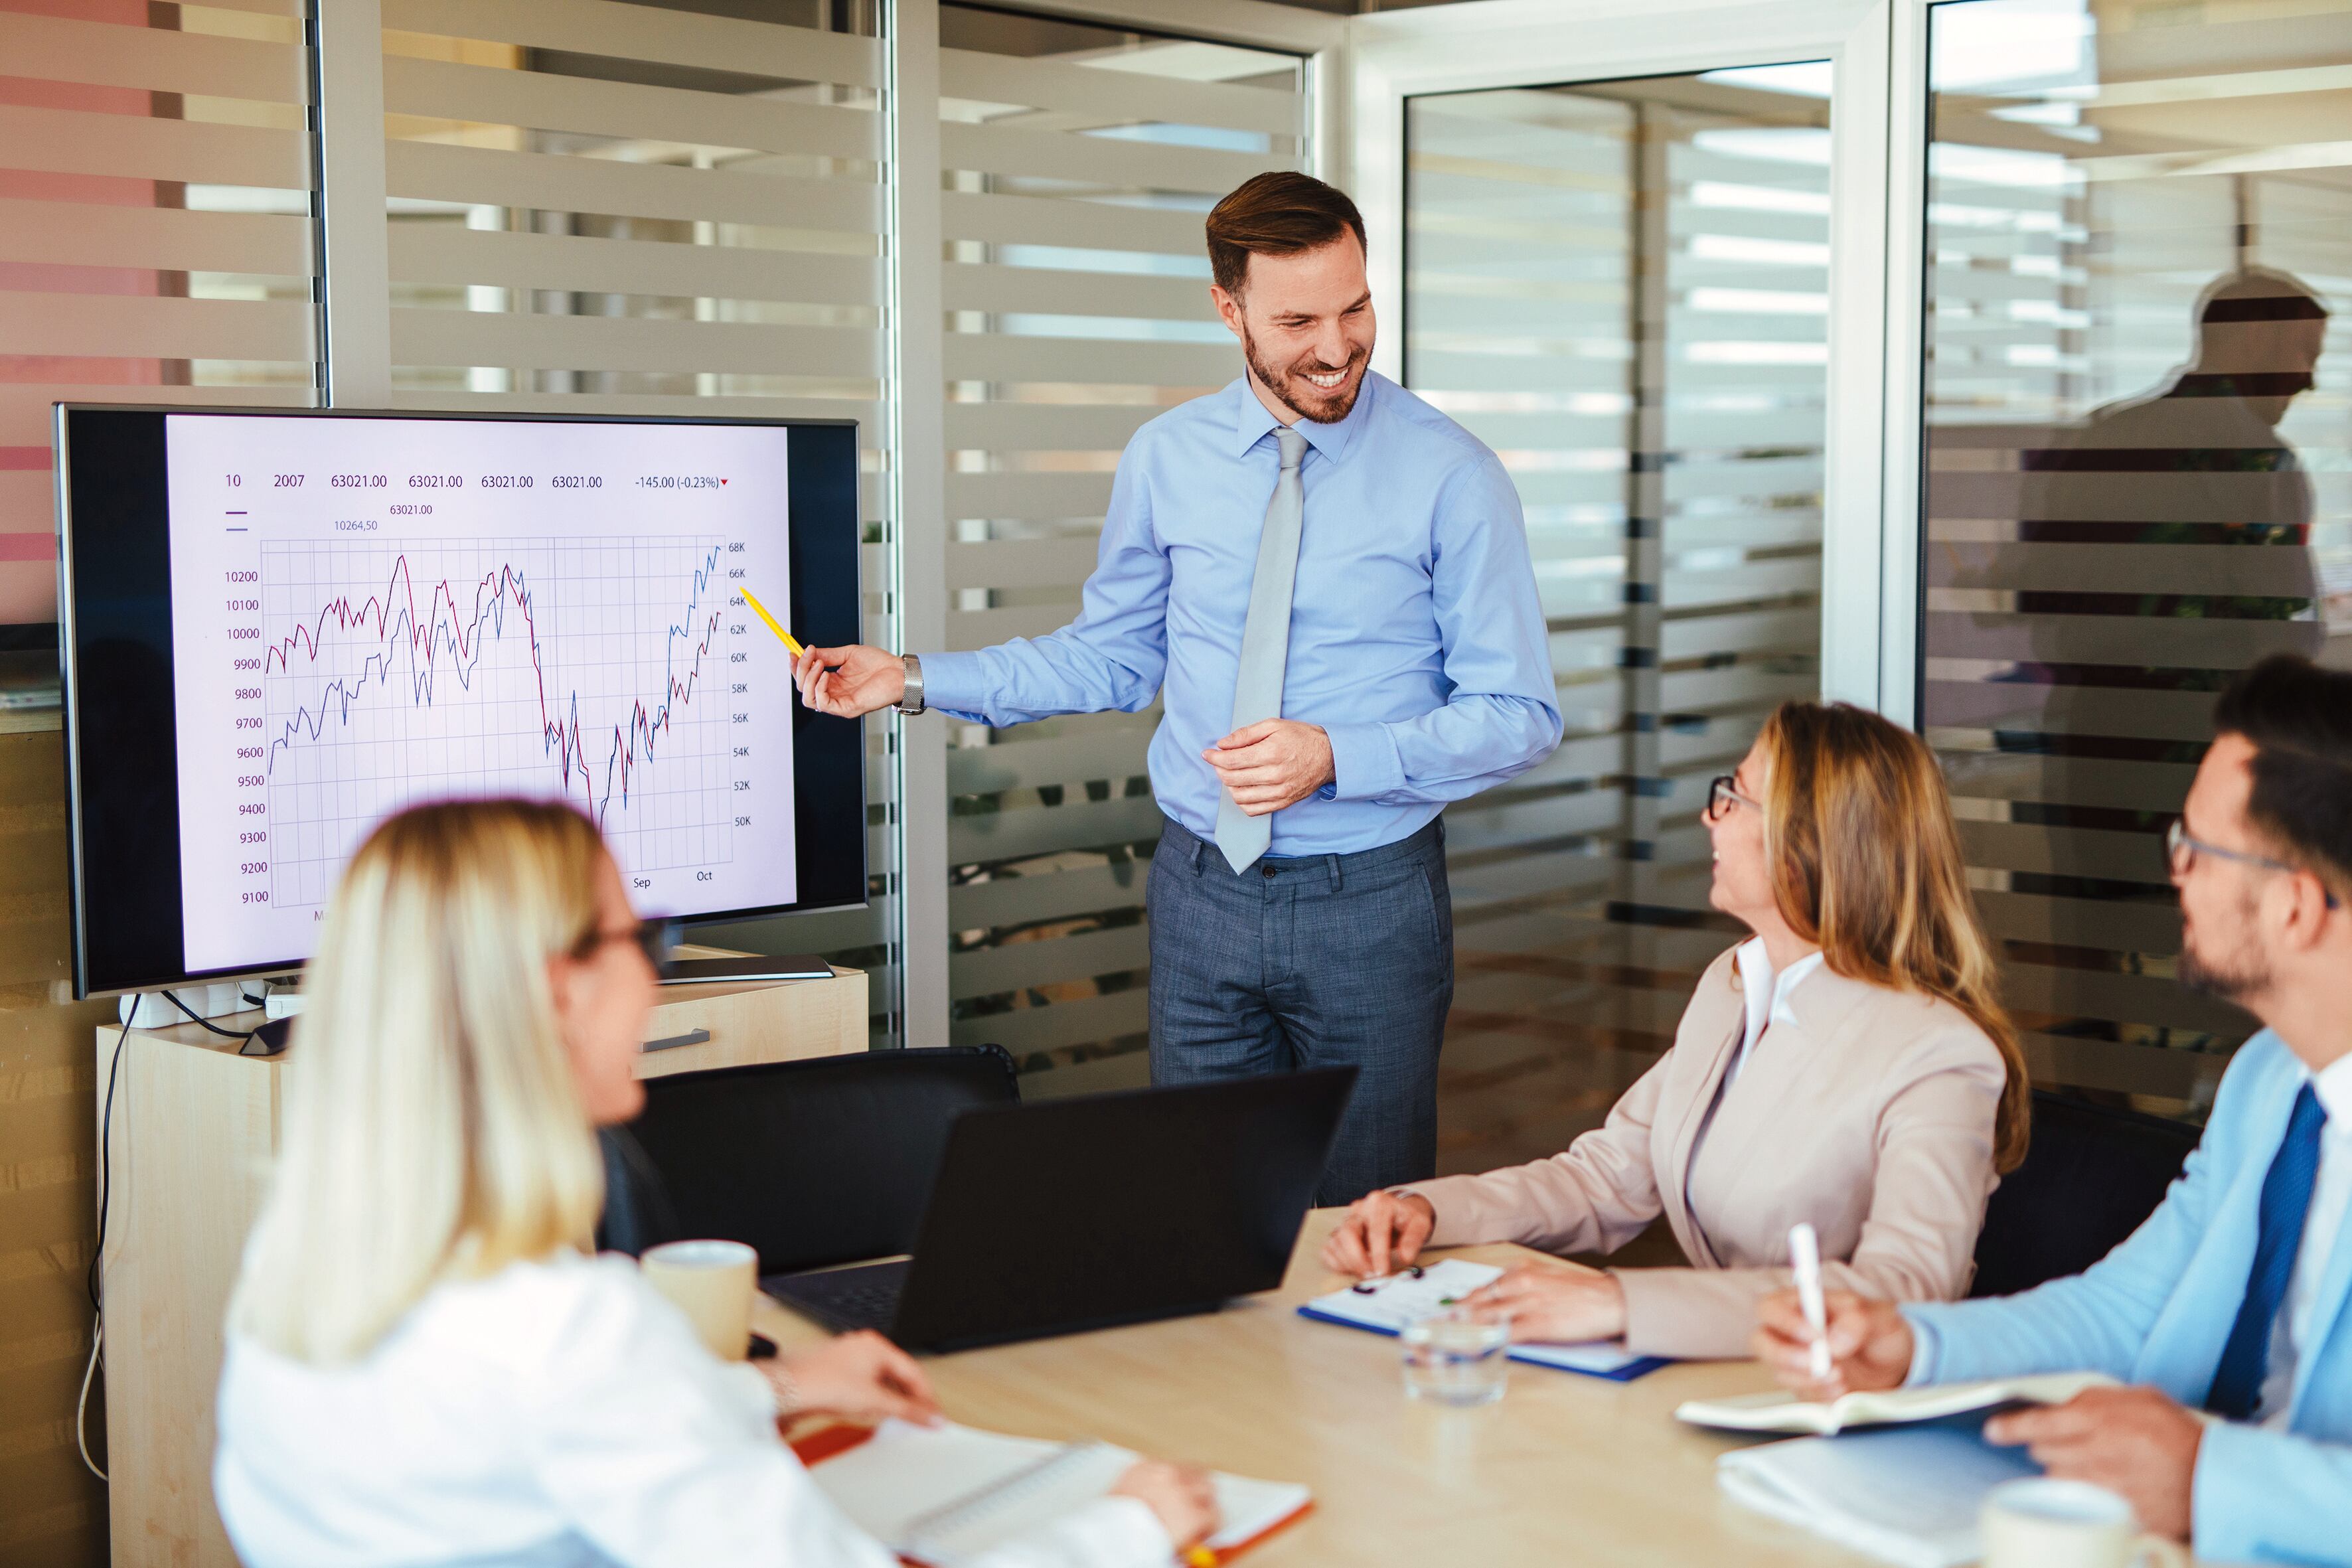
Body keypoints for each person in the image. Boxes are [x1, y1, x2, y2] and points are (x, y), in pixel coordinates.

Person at [791, 171, 1559, 1205]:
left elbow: (1519, 716)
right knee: (1199, 1208)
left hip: (1369, 903)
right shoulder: (1167, 458)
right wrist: (913, 678)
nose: (1335, 348)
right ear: (1226, 307)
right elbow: (1110, 655)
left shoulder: (1451, 475)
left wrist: (1338, 755)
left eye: (1354, 307)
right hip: (1199, 895)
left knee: (1364, 1227)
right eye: (1296, 320)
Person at [214, 799, 1215, 1568]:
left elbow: (555, 1437)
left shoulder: (305, 1255)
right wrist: (1126, 1529)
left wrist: (775, 1384)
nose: (654, 980)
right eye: (642, 943)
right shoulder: (568, 1327)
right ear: (560, 989)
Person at [1755, 655, 2352, 1566]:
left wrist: (2207, 1476)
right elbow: (2125, 1308)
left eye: (2191, 849)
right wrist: (1908, 1344)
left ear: (2295, 905)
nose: (2173, 877)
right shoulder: (2266, 1081)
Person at [1323, 701, 2029, 1360]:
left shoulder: (1938, 1053)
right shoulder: (1736, 983)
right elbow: (1604, 1180)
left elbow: (1904, 1288)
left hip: (1838, 1404)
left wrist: (1623, 1302)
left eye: (1733, 795)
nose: (1708, 816)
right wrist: (1425, 1208)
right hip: (1727, 1375)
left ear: (1805, 843)